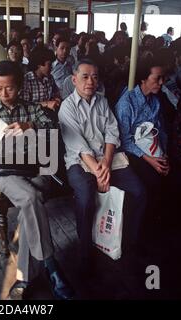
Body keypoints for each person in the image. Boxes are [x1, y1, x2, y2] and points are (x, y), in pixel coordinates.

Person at [0, 61, 75, 300]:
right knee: (30, 198)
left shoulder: (32, 109)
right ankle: (51, 265)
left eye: (10, 88)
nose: (4, 94)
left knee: (29, 208)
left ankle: (25, 278)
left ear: (20, 86)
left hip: (37, 172)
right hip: (8, 175)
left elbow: (54, 125)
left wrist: (30, 126)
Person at [59, 59, 146, 273]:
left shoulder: (102, 101)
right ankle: (85, 251)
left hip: (107, 159)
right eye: (85, 77)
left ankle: (127, 240)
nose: (90, 81)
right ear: (74, 79)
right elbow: (78, 145)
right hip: (80, 162)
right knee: (86, 196)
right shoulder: (66, 107)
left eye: (95, 77)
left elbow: (112, 133)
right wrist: (99, 172)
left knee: (139, 191)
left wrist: (105, 163)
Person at [115, 57, 170, 224]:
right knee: (151, 179)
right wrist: (152, 161)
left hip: (152, 148)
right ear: (143, 79)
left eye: (162, 78)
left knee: (168, 173)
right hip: (132, 151)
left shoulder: (155, 100)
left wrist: (163, 155)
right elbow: (124, 140)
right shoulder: (127, 103)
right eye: (156, 78)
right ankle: (140, 226)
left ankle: (153, 220)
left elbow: (160, 131)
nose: (161, 82)